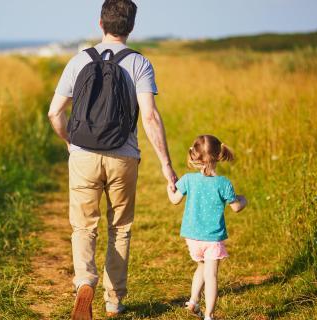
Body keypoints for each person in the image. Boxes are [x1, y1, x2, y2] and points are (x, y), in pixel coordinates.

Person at [47, 0, 177, 318]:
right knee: (120, 228)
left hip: (83, 156)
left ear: (101, 23)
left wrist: (69, 142)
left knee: (83, 227)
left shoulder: (79, 60)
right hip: (124, 157)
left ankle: (84, 283)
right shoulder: (140, 64)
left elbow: (54, 112)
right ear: (130, 26)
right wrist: (166, 165)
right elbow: (149, 117)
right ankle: (114, 300)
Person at [167, 134, 247, 320]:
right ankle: (209, 315)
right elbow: (236, 208)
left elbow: (174, 200)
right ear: (219, 155)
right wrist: (244, 199)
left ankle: (193, 301)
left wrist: (169, 187)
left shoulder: (188, 179)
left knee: (201, 267)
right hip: (212, 239)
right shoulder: (224, 183)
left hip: (192, 238)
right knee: (211, 276)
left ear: (195, 156)